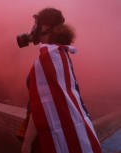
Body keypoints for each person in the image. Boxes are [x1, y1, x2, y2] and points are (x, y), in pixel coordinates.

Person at [20, 8, 102, 153]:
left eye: (37, 23)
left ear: (46, 27)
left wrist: (27, 142)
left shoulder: (48, 58)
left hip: (45, 133)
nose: (34, 28)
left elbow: (41, 105)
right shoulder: (60, 53)